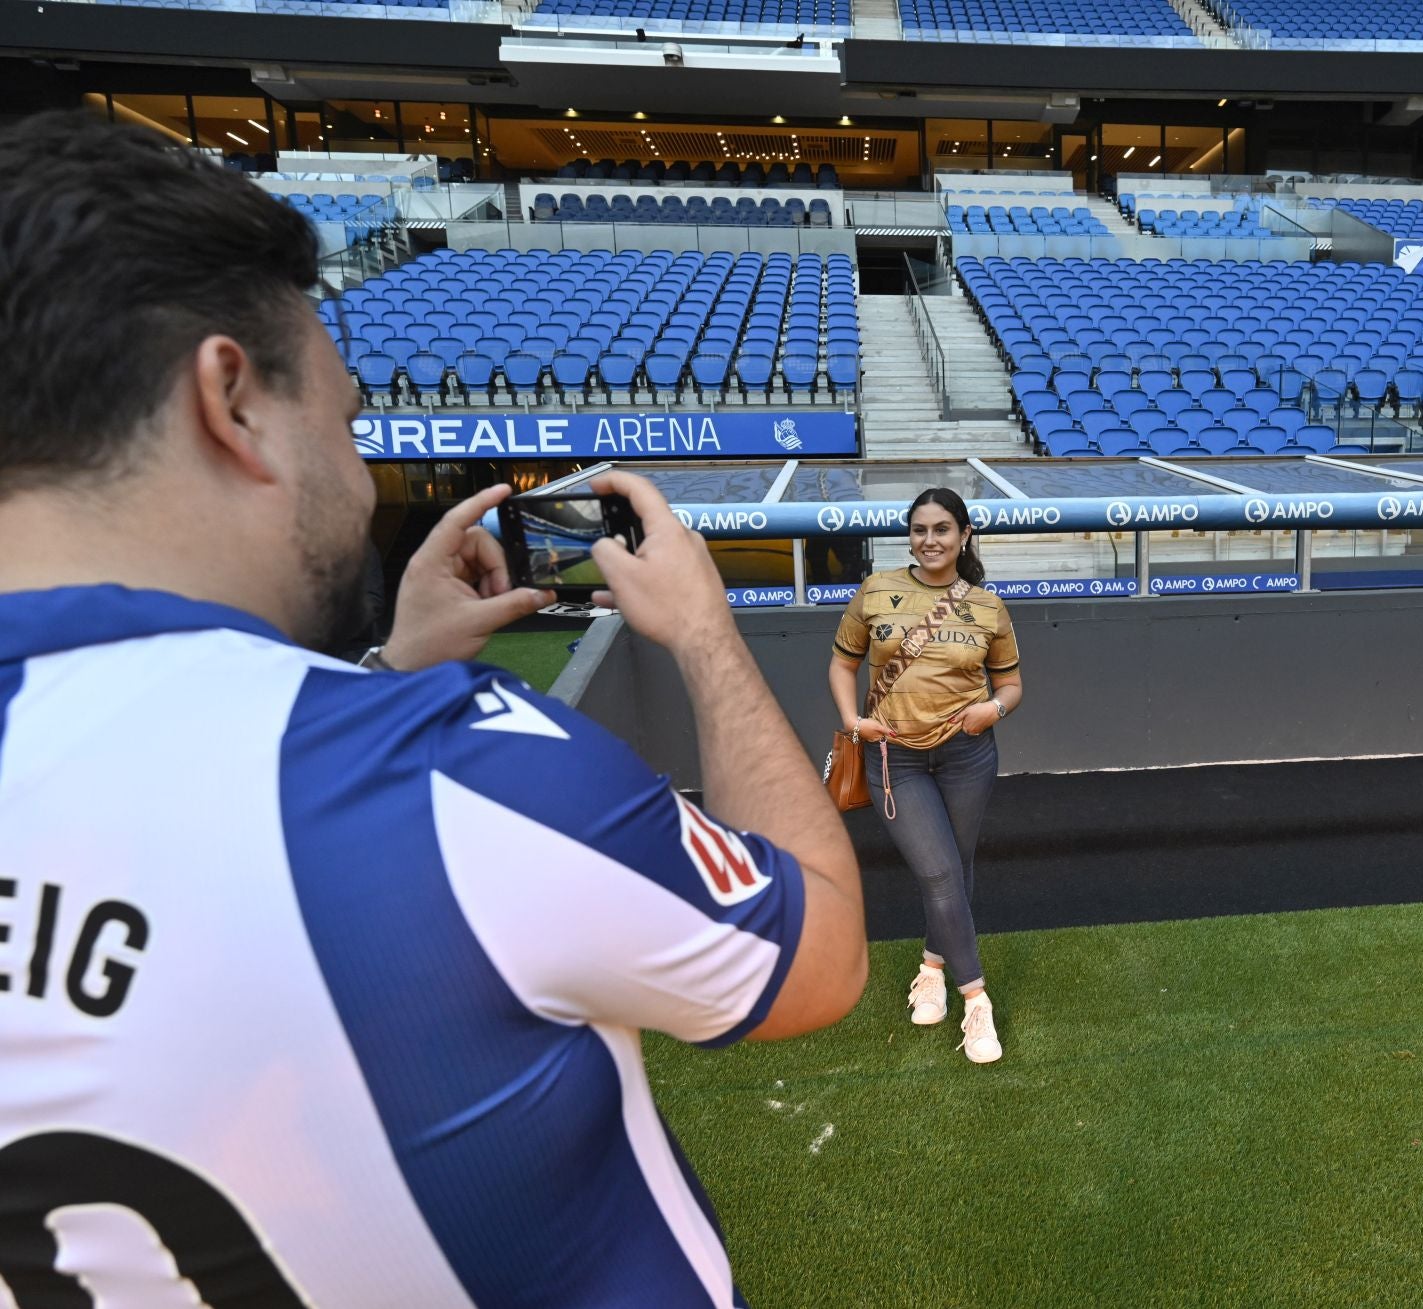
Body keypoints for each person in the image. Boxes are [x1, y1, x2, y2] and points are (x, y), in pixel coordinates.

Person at [0, 111, 866, 1308]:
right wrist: (706, 635)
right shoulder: (458, 777)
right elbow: (818, 947)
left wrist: (384, 668)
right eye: (347, 424)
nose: (361, 478)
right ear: (231, 400)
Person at [826, 488, 1024, 1064]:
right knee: (939, 873)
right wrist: (851, 720)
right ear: (908, 536)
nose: (930, 540)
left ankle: (932, 970)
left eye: (942, 529)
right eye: (919, 530)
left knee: (955, 868)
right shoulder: (877, 590)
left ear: (964, 535)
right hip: (897, 756)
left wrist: (997, 708)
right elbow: (843, 663)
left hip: (969, 755)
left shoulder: (988, 605)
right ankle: (976, 1000)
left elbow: (1011, 684)